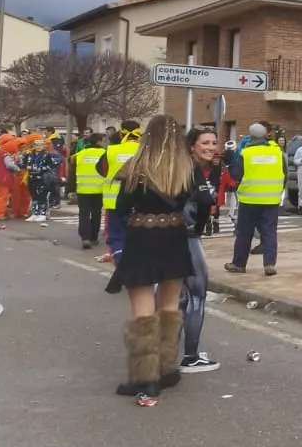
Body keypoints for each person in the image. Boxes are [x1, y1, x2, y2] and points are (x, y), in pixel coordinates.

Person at [108, 115, 197, 401]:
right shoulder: (185, 169)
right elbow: (193, 203)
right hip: (174, 238)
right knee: (170, 306)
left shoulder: (135, 168)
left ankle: (146, 377)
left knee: (143, 309)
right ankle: (168, 369)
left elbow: (120, 207)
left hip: (142, 238)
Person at [179, 127, 222, 373]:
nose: (211, 147)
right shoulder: (191, 168)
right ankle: (191, 357)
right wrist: (200, 223)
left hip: (170, 234)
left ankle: (163, 359)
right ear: (192, 145)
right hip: (187, 235)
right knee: (195, 296)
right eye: (205, 142)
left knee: (176, 297)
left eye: (214, 142)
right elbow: (205, 201)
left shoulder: (178, 167)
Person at [224, 123, 285, 276]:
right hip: (271, 199)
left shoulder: (246, 153)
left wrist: (229, 162)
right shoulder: (277, 152)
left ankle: (239, 264)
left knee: (244, 232)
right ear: (266, 135)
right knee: (270, 232)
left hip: (249, 200)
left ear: (250, 137)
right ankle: (269, 264)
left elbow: (236, 174)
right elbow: (284, 174)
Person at [101, 122, 142, 263]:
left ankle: (121, 266)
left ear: (120, 133)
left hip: (114, 201)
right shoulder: (146, 150)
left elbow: (101, 169)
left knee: (117, 238)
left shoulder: (112, 150)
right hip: (140, 201)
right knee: (138, 238)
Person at [74, 132, 107, 250]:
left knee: (84, 214)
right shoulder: (104, 153)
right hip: (99, 189)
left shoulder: (81, 154)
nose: (105, 142)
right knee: (96, 213)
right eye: (103, 140)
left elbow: (72, 166)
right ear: (98, 142)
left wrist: (71, 188)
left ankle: (84, 237)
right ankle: (93, 237)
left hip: (82, 189)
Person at [23, 135, 63, 223]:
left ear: (43, 146)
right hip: (31, 177)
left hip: (42, 178)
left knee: (42, 196)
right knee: (34, 197)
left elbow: (53, 164)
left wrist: (42, 168)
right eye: (36, 145)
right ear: (33, 146)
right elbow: (23, 163)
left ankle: (42, 214)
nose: (38, 147)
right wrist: (26, 166)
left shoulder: (47, 155)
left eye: (40, 145)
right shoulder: (29, 155)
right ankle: (34, 213)